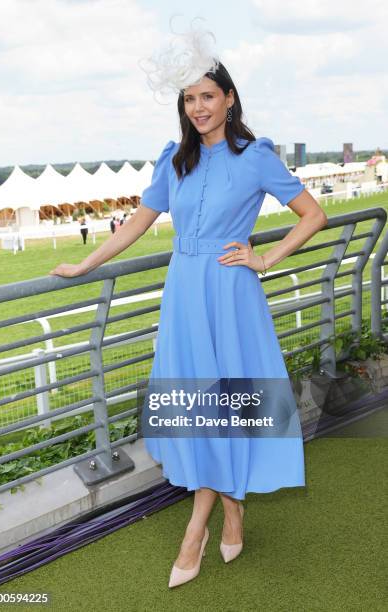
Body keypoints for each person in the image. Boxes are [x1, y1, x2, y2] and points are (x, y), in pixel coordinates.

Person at [49, 21, 327, 589]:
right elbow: (135, 225)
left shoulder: (256, 157)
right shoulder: (173, 159)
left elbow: (313, 215)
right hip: (183, 295)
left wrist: (265, 258)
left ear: (228, 99)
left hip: (231, 293)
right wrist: (85, 265)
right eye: (189, 98)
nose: (198, 107)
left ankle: (196, 528)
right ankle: (230, 506)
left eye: (207, 96)